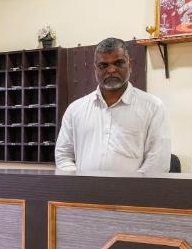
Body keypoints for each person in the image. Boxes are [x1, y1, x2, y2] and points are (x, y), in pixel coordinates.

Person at [55, 37, 170, 174]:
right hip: (83, 193)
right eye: (104, 65)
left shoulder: (153, 107)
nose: (111, 70)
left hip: (132, 194)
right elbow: (63, 155)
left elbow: (158, 161)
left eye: (118, 63)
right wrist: (79, 185)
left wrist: (131, 190)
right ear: (95, 68)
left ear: (130, 65)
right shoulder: (75, 110)